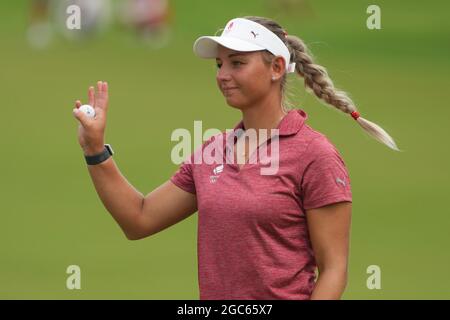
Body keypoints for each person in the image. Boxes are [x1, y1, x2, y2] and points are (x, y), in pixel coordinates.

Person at [72, 16, 400, 300]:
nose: (222, 75)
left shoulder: (315, 155)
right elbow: (139, 219)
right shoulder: (212, 150)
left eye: (237, 63)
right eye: (219, 64)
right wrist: (95, 150)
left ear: (276, 68)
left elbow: (334, 270)